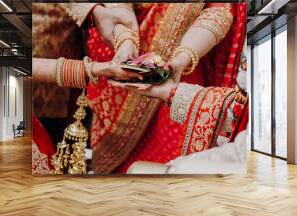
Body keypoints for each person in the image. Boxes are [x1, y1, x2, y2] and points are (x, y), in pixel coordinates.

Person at [86, 3, 247, 173]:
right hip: (119, 51)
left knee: (164, 166)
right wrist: (125, 38)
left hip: (182, 71)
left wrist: (184, 56)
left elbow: (219, 10)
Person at [32, 3, 140, 174]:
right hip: (39, 85)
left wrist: (124, 37)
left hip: (63, 87)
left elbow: (115, 10)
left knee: (66, 154)